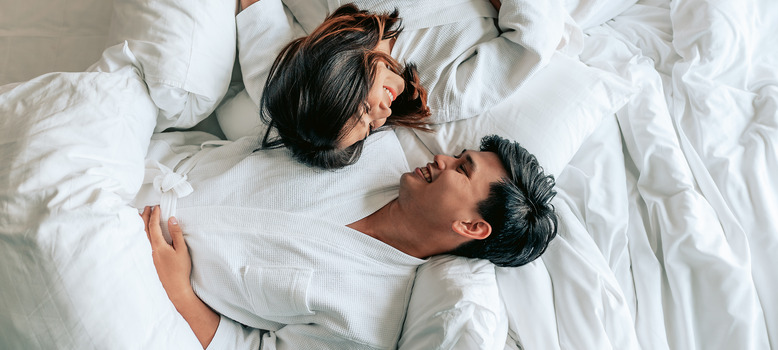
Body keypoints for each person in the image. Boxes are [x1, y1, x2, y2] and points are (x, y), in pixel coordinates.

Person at [189, 0, 573, 168]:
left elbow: (264, 33)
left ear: (339, 73)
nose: (383, 117)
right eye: (372, 129)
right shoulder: (435, 96)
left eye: (364, 113)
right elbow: (533, 40)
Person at [140, 133, 557, 349]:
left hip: (142, 276)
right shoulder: (373, 145)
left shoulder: (367, 322)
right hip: (148, 158)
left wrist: (179, 292)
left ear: (471, 227)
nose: (444, 158)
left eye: (462, 169)